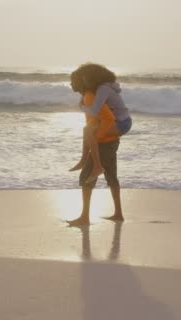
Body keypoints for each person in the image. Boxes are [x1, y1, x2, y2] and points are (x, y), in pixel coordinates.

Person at [67, 67, 124, 226]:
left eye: (73, 81)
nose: (70, 84)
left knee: (86, 176)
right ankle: (118, 213)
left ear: (80, 82)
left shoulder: (90, 97)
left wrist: (97, 138)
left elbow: (108, 118)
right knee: (111, 175)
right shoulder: (89, 97)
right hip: (111, 140)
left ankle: (84, 217)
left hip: (105, 142)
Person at [69, 63, 132, 184]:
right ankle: (84, 161)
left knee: (88, 131)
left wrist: (81, 106)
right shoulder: (102, 88)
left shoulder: (103, 89)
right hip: (119, 121)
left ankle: (97, 166)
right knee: (87, 130)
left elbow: (93, 110)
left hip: (122, 123)